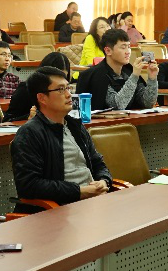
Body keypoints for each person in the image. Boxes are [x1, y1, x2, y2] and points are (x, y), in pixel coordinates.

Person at [10, 66, 112, 206]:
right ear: (42, 98)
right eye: (60, 89)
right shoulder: (30, 133)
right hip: (61, 208)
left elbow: (98, 162)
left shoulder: (75, 126)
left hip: (93, 200)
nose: (69, 94)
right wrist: (80, 191)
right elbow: (29, 185)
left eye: (68, 88)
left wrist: (103, 181)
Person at [83, 29, 159, 110]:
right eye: (123, 47)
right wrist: (134, 76)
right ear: (108, 51)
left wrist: (152, 78)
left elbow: (148, 103)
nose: (128, 52)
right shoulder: (97, 75)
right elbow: (117, 105)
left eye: (129, 47)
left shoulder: (128, 72)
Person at [6, 52, 70, 122]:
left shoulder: (66, 92)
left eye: (64, 78)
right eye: (56, 77)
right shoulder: (25, 89)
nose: (61, 81)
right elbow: (7, 119)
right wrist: (28, 117)